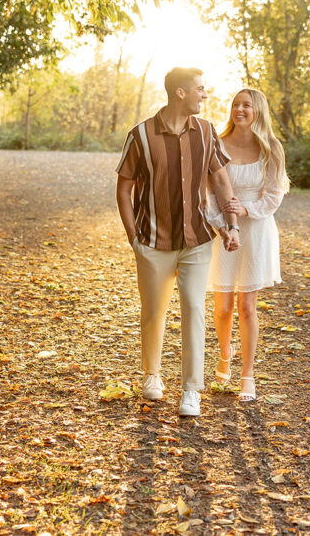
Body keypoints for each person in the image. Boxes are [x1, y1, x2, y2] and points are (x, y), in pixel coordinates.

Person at [116, 67, 240, 417]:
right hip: (153, 241)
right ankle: (152, 375)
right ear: (180, 93)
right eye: (200, 89)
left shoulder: (206, 131)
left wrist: (232, 226)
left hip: (197, 239)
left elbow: (220, 179)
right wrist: (132, 235)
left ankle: (191, 389)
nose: (205, 94)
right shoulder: (140, 135)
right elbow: (124, 187)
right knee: (154, 312)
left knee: (193, 309)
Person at [206, 88, 289, 402]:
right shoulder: (218, 144)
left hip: (256, 232)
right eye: (235, 104)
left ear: (258, 111)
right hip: (225, 231)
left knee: (246, 306)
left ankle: (248, 375)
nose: (239, 109)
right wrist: (223, 225)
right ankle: (225, 354)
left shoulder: (271, 148)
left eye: (246, 105)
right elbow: (210, 192)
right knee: (223, 307)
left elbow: (274, 195)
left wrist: (246, 210)